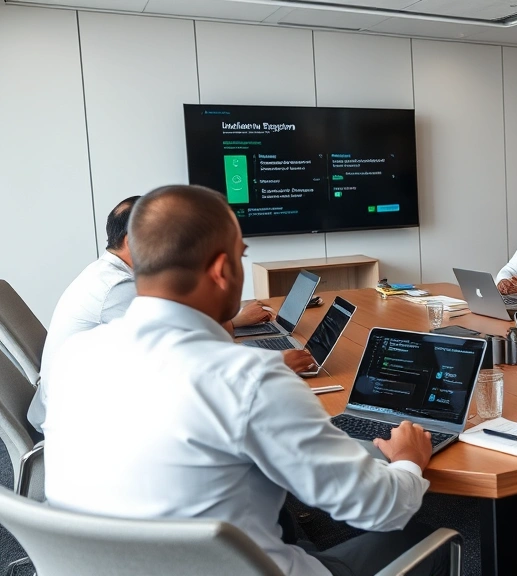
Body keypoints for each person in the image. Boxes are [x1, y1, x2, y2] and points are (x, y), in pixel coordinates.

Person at [42, 185, 447, 576]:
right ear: (222, 270)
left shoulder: (74, 357)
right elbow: (380, 508)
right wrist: (408, 459)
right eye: (241, 256)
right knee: (427, 537)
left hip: (102, 565)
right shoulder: (249, 381)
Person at [29, 196, 313, 431]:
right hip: (79, 420)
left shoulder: (111, 274)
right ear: (131, 241)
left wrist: (233, 321)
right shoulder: (118, 289)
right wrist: (273, 365)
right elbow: (190, 354)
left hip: (86, 395)